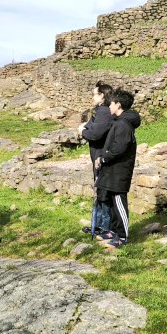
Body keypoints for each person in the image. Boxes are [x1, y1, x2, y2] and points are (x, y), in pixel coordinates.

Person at [94, 89, 141, 249]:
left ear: (118, 105)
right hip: (112, 170)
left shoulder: (123, 124)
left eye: (112, 103)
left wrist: (104, 158)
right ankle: (113, 231)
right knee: (113, 202)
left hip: (119, 171)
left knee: (120, 203)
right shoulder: (119, 122)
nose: (109, 107)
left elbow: (119, 148)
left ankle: (122, 236)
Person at [77, 82, 113, 237]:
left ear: (102, 96)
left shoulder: (104, 112)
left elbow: (94, 133)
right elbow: (90, 127)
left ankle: (106, 228)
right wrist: (86, 128)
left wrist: (82, 130)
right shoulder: (100, 111)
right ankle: (98, 225)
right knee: (99, 191)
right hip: (96, 156)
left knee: (103, 192)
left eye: (94, 94)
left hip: (101, 156)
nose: (92, 97)